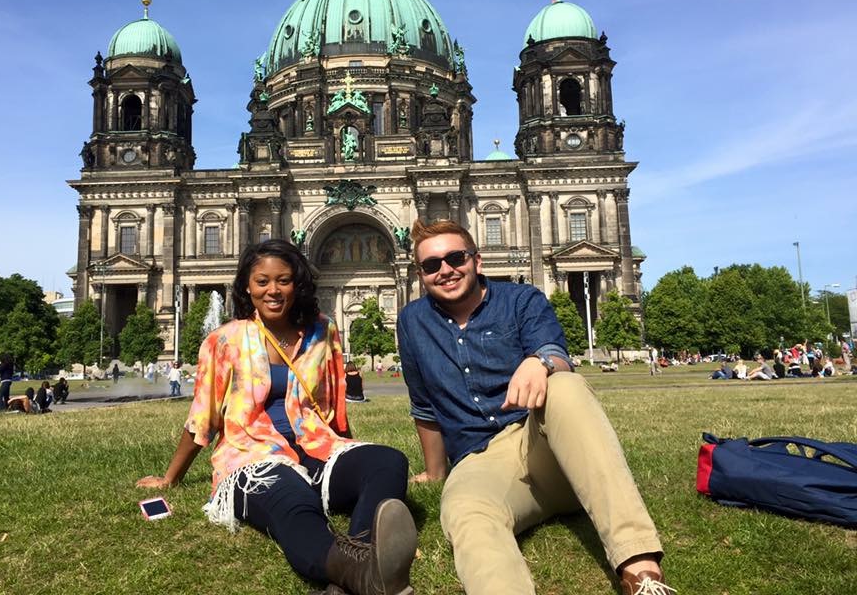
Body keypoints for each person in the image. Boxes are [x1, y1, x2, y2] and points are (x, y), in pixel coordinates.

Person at [397, 220, 673, 595]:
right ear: (420, 274)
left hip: (544, 444)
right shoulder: (412, 322)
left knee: (565, 386)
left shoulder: (521, 299)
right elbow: (424, 406)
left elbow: (556, 355)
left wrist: (540, 362)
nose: (445, 270)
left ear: (476, 261)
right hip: (481, 463)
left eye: (455, 257)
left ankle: (639, 567)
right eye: (431, 265)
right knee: (468, 513)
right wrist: (435, 473)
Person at [136, 240, 416, 595]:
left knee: (387, 461)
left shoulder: (322, 331)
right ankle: (365, 568)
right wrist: (170, 477)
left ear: (297, 284)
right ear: (247, 287)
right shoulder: (225, 340)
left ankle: (362, 559)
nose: (273, 290)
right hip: (253, 458)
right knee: (294, 501)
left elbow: (334, 407)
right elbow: (202, 419)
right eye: (262, 281)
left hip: (316, 448)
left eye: (282, 280)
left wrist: (351, 451)